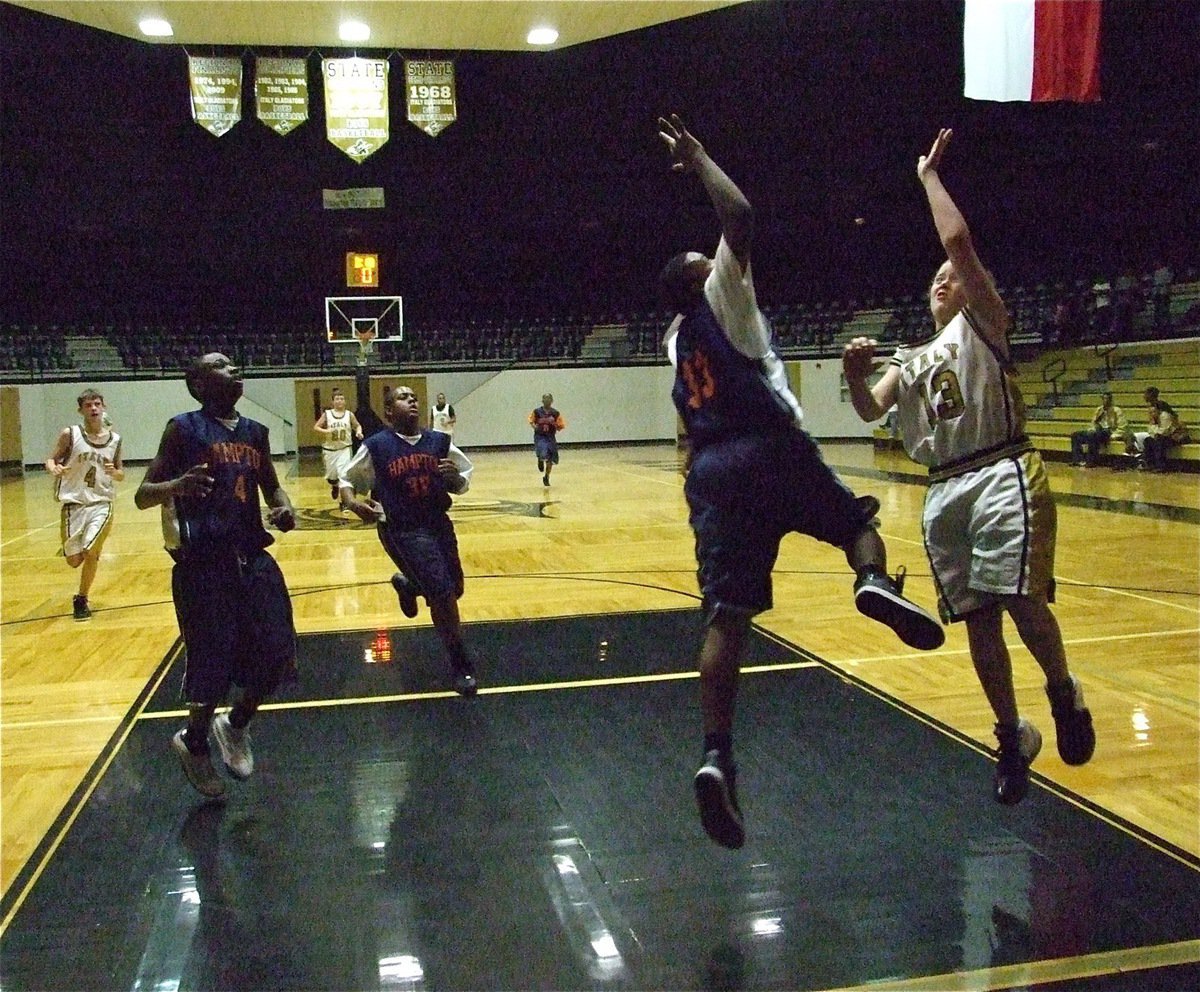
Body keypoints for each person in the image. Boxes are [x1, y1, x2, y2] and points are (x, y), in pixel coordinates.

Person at [657, 114, 944, 850]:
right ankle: (873, 582)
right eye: (705, 259)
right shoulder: (722, 296)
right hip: (768, 448)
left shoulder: (673, 340)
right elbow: (742, 214)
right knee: (857, 525)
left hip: (713, 473)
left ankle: (716, 754)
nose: (716, 258)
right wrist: (699, 158)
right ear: (701, 275)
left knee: (726, 616)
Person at [842, 128, 1095, 807]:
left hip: (1001, 468)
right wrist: (852, 372)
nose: (943, 277)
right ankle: (1012, 737)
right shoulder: (911, 356)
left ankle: (1064, 692)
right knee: (979, 623)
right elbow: (870, 410)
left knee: (1019, 598)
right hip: (943, 489)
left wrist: (927, 177)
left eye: (951, 276)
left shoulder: (983, 321)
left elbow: (957, 245)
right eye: (935, 279)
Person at [135, 353, 298, 800]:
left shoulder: (255, 433)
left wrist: (283, 507)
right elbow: (142, 495)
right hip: (203, 564)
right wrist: (176, 486)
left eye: (234, 364)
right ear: (200, 385)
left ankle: (236, 723)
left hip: (252, 557)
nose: (235, 369)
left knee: (280, 653)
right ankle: (193, 741)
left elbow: (272, 486)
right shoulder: (183, 429)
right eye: (223, 366)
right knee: (213, 664)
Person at [340, 384, 478, 697]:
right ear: (389, 411)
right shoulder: (378, 445)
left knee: (455, 588)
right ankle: (460, 662)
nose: (412, 400)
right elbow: (348, 479)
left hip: (437, 523)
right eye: (403, 398)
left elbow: (462, 480)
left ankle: (409, 584)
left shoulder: (439, 441)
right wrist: (352, 503)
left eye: (414, 397)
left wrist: (453, 478)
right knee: (443, 594)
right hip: (402, 528)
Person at [44, 388, 124, 621]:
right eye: (88, 405)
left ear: (103, 407)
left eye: (97, 404)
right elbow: (51, 459)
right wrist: (54, 468)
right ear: (81, 410)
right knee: (74, 560)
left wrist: (115, 473)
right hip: (74, 503)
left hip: (101, 502)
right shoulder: (70, 434)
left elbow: (120, 473)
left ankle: (81, 598)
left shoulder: (115, 440)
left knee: (91, 551)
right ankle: (76, 548)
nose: (94, 408)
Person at [313, 388, 363, 512]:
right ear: (333, 402)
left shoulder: (349, 414)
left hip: (345, 449)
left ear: (344, 401)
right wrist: (326, 431)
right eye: (337, 399)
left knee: (344, 476)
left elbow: (357, 425)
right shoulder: (327, 414)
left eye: (342, 398)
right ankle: (334, 486)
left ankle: (344, 502)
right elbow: (316, 427)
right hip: (330, 450)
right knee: (332, 478)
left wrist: (358, 432)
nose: (340, 401)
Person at [1069, 392, 1127, 467]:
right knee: (1075, 435)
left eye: (1107, 399)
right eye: (1104, 399)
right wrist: (1092, 428)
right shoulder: (1099, 410)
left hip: (1108, 431)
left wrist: (1114, 435)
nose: (1105, 401)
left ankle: (1091, 461)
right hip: (1097, 430)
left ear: (1110, 400)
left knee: (1092, 435)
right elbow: (1093, 422)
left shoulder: (1117, 410)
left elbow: (1122, 426)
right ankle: (1077, 459)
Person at [1141, 386, 1190, 472]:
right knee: (1148, 440)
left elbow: (1164, 431)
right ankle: (1149, 464)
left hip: (1177, 436)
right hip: (1166, 435)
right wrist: (1154, 429)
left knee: (1160, 440)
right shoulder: (1154, 415)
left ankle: (1161, 466)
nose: (1151, 413)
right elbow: (1150, 429)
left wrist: (1155, 431)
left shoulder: (1165, 415)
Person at [529, 393, 565, 486]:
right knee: (543, 450)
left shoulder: (555, 413)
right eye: (545, 399)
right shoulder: (537, 411)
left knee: (551, 459)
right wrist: (535, 427)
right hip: (540, 436)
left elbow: (561, 426)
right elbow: (531, 420)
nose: (547, 401)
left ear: (552, 401)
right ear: (542, 401)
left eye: (549, 399)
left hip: (550, 437)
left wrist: (555, 424)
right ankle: (540, 459)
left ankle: (546, 476)